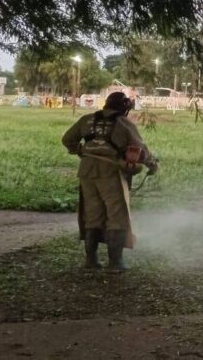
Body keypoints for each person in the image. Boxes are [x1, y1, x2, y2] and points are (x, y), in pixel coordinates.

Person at [62, 91, 159, 271]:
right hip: (111, 173)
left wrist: (81, 150)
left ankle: (91, 261)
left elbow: (67, 139)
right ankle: (115, 263)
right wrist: (151, 164)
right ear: (124, 107)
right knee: (117, 216)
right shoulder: (124, 123)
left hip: (87, 172)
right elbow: (139, 148)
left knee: (92, 215)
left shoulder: (87, 119)